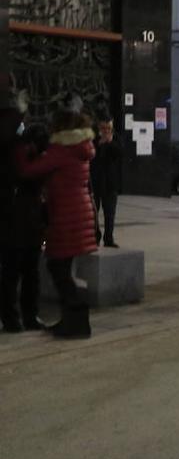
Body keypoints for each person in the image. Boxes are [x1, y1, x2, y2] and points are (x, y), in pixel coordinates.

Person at [16, 106, 97, 338]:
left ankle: (77, 323)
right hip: (78, 212)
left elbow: (29, 170)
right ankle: (74, 321)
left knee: (58, 269)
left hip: (66, 214)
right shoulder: (80, 147)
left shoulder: (62, 149)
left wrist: (22, 149)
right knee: (62, 270)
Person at [2, 110, 46, 333]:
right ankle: (17, 317)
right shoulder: (16, 152)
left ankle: (21, 317)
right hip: (17, 222)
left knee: (24, 272)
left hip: (26, 222)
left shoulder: (23, 152)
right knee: (19, 272)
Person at [90, 118, 123, 248]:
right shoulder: (93, 139)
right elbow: (90, 156)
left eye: (109, 128)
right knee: (94, 212)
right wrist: (99, 144)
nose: (106, 131)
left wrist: (109, 143)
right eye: (104, 128)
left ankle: (108, 238)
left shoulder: (115, 139)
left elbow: (120, 153)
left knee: (110, 213)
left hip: (110, 183)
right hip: (96, 182)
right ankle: (95, 236)